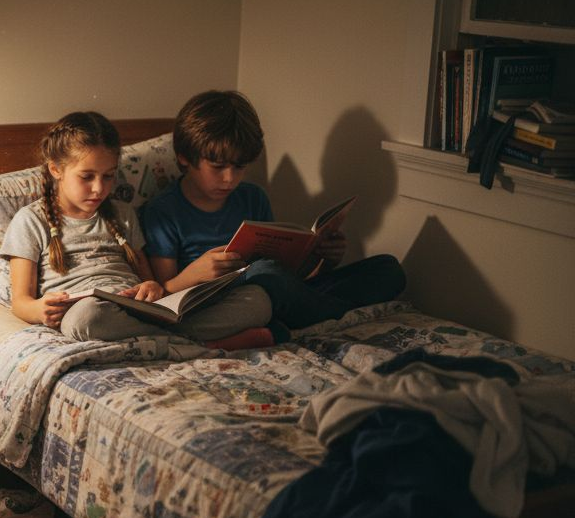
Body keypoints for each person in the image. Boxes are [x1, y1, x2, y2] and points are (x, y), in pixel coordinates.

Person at [142, 90, 406, 335]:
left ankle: (305, 317)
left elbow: (291, 276)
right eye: (218, 166)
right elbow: (165, 295)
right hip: (228, 303)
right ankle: (330, 315)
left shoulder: (253, 197)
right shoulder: (164, 212)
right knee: (263, 275)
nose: (229, 179)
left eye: (239, 167)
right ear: (184, 157)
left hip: (279, 290)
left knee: (388, 269)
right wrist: (196, 273)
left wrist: (324, 258)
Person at [2, 110, 273, 346]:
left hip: (138, 309)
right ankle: (200, 345)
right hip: (88, 309)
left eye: (108, 176)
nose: (99, 188)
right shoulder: (30, 221)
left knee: (257, 300)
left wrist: (152, 289)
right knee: (87, 319)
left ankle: (171, 341)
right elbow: (21, 302)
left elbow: (149, 281)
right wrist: (40, 310)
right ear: (55, 169)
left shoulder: (122, 214)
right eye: (87, 177)